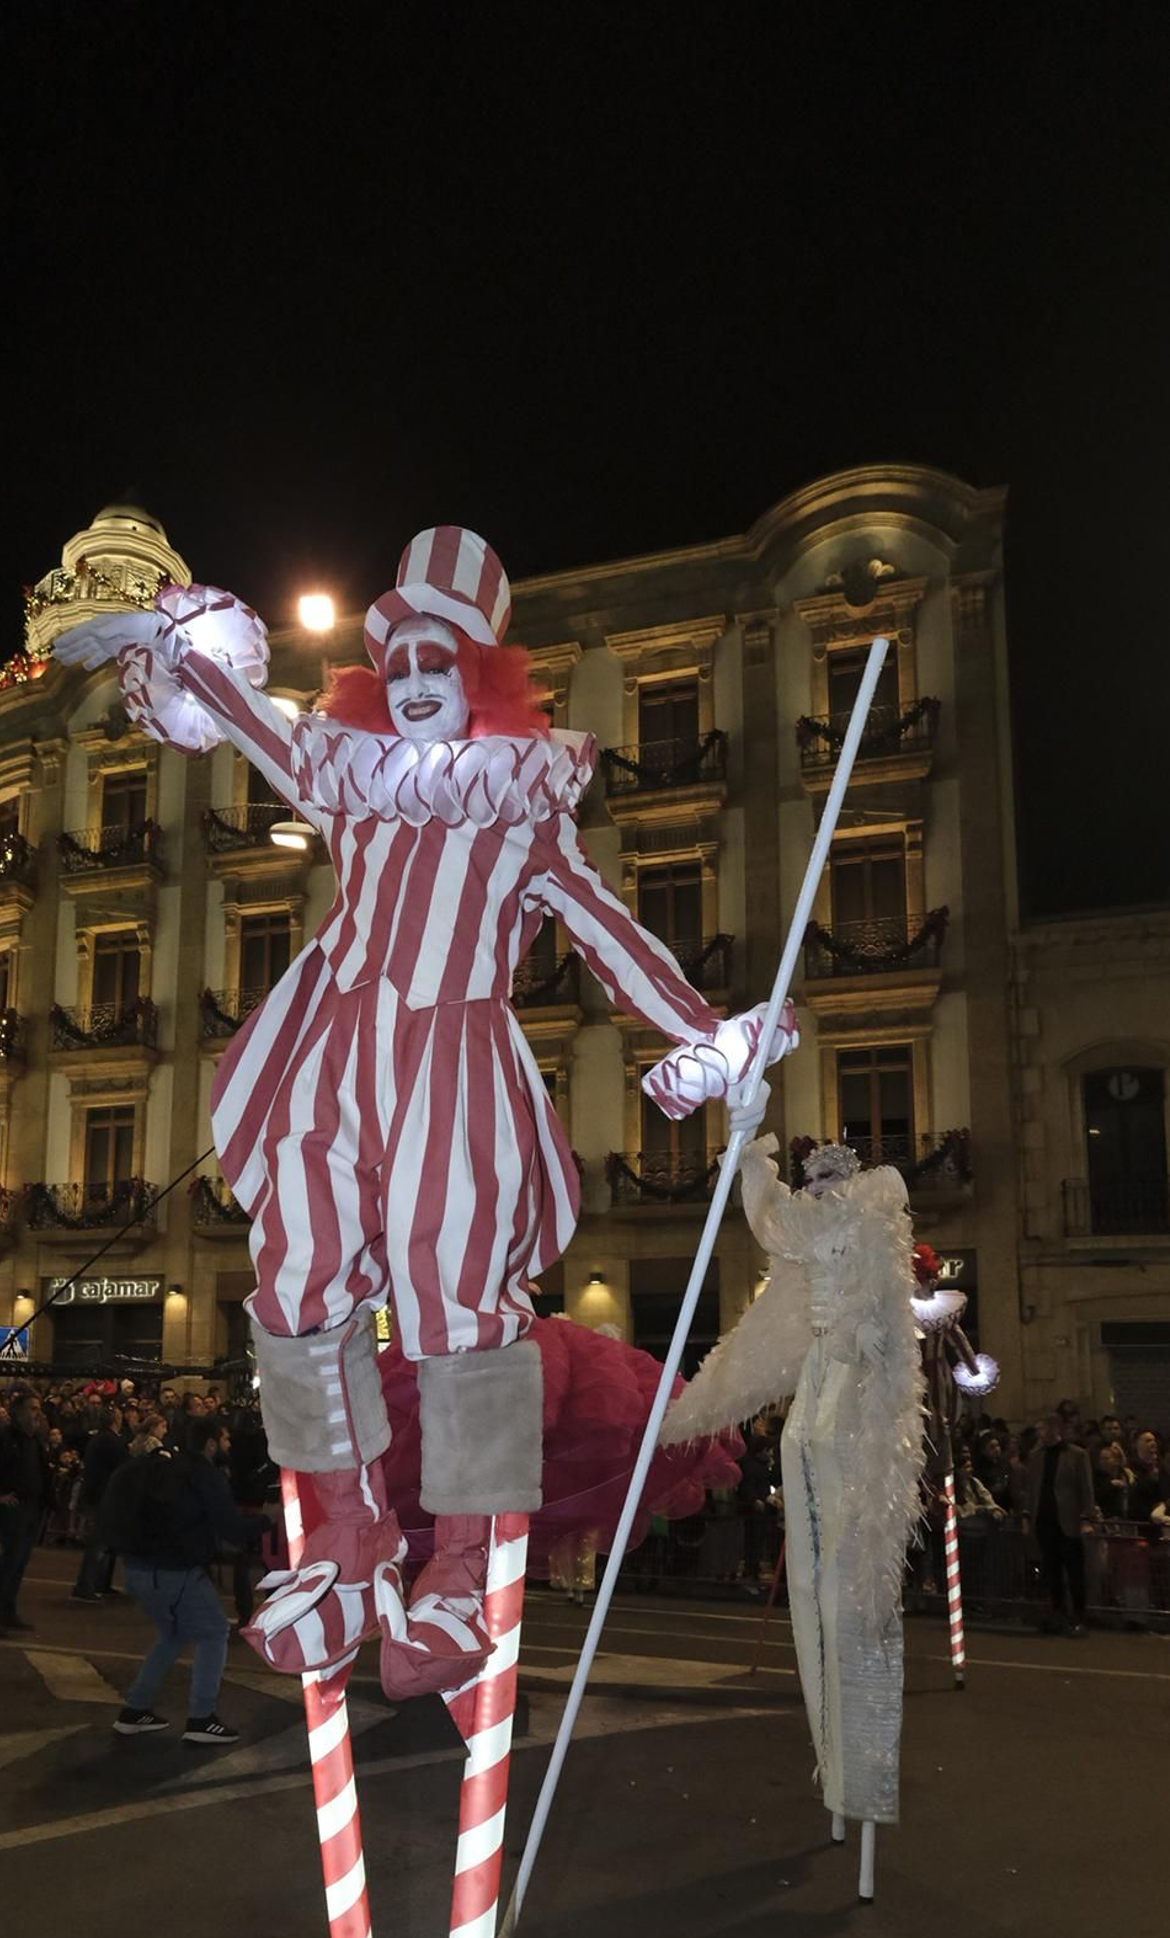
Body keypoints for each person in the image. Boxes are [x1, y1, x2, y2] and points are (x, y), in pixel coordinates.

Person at [57, 528, 794, 1697]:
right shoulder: (349, 781)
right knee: (298, 1290)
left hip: (452, 1058)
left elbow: (607, 930)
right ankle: (347, 1540)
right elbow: (249, 718)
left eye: (434, 662)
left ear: (479, 676)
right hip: (334, 1051)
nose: (410, 682)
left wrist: (704, 1032)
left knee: (455, 1313)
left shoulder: (520, 807)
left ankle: (460, 1561)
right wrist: (180, 647)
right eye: (393, 661)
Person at [664, 1134, 923, 1831]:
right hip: (814, 1393)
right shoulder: (802, 1231)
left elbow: (889, 1312)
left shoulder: (874, 1222)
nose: (817, 1191)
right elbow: (769, 1217)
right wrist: (751, 1158)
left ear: (848, 1183)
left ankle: (857, 1777)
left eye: (827, 1180)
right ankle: (834, 1770)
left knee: (845, 1587)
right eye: (811, 1182)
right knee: (809, 1583)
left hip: (853, 1398)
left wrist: (868, 1337)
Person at [96, 1417, 262, 1744]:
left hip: (137, 1569)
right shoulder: (203, 1474)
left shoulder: (163, 1468)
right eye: (225, 1439)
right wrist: (266, 1520)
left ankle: (135, 1710)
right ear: (211, 1444)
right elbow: (231, 1529)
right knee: (215, 1631)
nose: (228, 1445)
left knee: (174, 1634)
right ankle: (202, 1718)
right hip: (175, 1571)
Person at [0, 1390, 50, 1635]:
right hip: (15, 1507)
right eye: (32, 1408)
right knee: (10, 1561)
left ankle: (7, 1610)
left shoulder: (32, 1439)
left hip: (32, 1506)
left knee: (20, 1562)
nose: (37, 1413)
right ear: (19, 1412)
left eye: (38, 1408)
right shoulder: (5, 1436)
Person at [1025, 1410, 1097, 1634]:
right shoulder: (1036, 1456)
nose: (1039, 1433)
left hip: (1069, 1521)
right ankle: (1058, 1614)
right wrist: (1027, 1515)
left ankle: (1079, 1615)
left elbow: (1086, 1489)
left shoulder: (1077, 1455)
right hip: (1045, 1521)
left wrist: (1086, 1518)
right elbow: (1031, 1488)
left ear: (1054, 1428)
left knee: (1075, 1571)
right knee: (1052, 1571)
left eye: (1042, 1428)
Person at [71, 1403, 128, 1602]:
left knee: (104, 1541)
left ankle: (100, 1583)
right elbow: (124, 1466)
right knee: (98, 1543)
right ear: (115, 1420)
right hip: (103, 1496)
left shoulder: (97, 1439)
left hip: (96, 1494)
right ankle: (86, 1584)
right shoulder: (111, 1441)